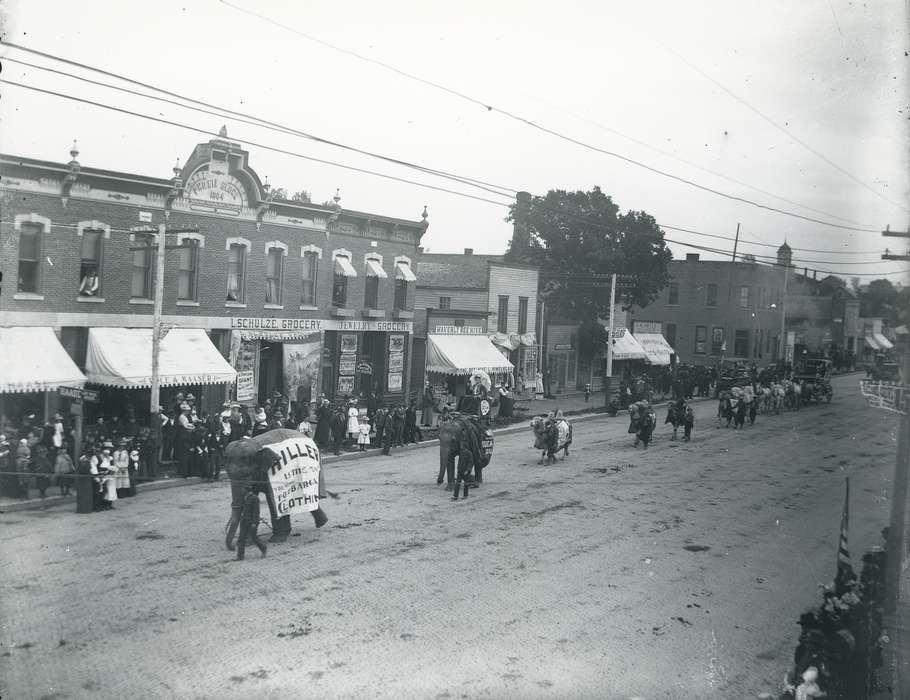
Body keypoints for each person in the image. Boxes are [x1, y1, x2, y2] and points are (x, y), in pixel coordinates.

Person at [235, 488, 267, 561]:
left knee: (254, 538)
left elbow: (256, 512)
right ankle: (240, 556)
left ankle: (263, 548)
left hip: (251, 522)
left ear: (247, 490)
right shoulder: (245, 497)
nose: (241, 491)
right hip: (244, 521)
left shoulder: (254, 498)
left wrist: (254, 523)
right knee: (241, 539)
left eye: (242, 490)